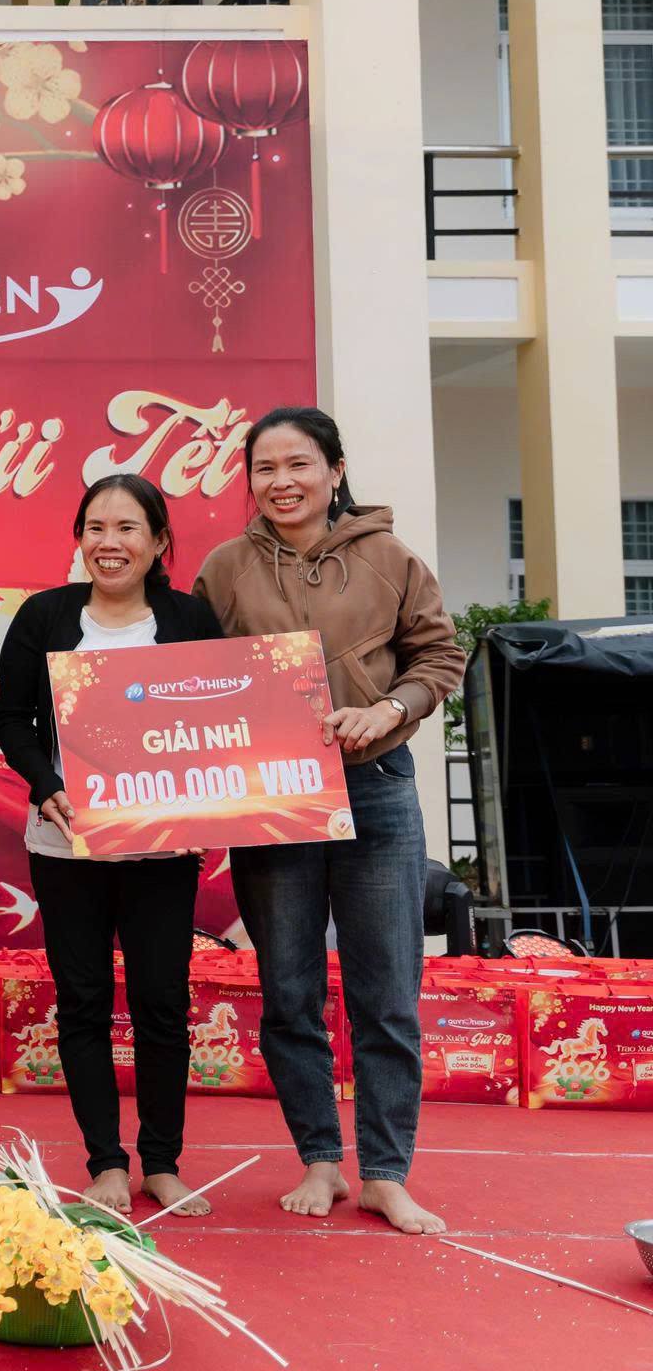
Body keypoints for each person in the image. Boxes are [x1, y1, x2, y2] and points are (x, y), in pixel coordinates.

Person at [195, 407, 465, 1236]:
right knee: (290, 992)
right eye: (265, 467)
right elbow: (190, 679)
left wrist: (389, 709)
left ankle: (386, 1173)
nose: (282, 482)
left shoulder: (390, 558)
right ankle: (320, 1157)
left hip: (375, 787)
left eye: (299, 464)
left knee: (387, 993)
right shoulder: (225, 569)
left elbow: (439, 656)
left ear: (335, 470)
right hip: (272, 797)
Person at [0, 474, 222, 1218]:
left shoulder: (190, 620)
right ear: (79, 538)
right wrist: (44, 785)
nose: (109, 543)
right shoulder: (45, 615)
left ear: (159, 543)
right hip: (67, 844)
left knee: (162, 1004)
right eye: (95, 527)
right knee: (83, 1003)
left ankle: (163, 1162)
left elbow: (223, 718)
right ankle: (106, 1164)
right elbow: (12, 719)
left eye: (127, 528)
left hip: (163, 849)